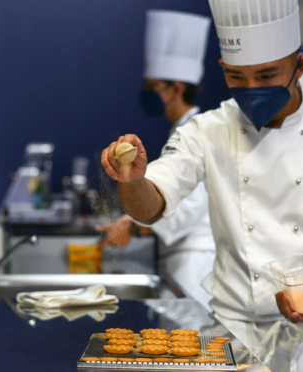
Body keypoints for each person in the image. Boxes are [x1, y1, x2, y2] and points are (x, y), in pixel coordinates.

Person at [99, 1, 303, 371]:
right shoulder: (205, 131)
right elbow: (151, 204)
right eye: (238, 78)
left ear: (300, 67)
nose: (252, 89)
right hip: (236, 335)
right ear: (223, 68)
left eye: (267, 76)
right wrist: (132, 181)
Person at [96, 10, 215, 309]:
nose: (146, 94)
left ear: (175, 88)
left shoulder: (195, 134)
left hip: (197, 269)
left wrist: (132, 227)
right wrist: (131, 219)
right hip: (181, 265)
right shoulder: (181, 131)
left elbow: (185, 210)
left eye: (152, 88)